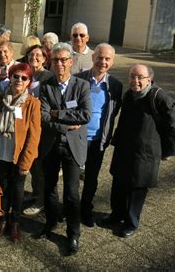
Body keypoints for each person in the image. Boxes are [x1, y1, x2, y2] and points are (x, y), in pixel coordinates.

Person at [105, 64, 175, 238]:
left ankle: (131, 223)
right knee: (118, 183)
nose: (135, 81)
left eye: (140, 77)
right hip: (125, 149)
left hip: (145, 153)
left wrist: (168, 152)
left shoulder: (159, 97)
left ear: (149, 79)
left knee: (137, 188)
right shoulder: (129, 94)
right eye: (132, 76)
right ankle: (116, 215)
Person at [34, 42, 91, 256]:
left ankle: (73, 234)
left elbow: (85, 115)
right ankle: (50, 222)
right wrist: (65, 122)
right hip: (51, 145)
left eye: (64, 59)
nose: (59, 63)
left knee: (71, 193)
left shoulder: (82, 85)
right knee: (49, 188)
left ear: (71, 62)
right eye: (56, 60)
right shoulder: (46, 85)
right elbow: (44, 116)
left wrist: (57, 114)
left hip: (73, 147)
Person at [74, 44, 123, 227]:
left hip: (97, 140)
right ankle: (71, 208)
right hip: (76, 138)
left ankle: (85, 209)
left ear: (112, 62)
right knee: (72, 178)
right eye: (100, 57)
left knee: (91, 178)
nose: (103, 62)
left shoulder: (116, 86)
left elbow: (113, 111)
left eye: (107, 59)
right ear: (93, 57)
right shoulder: (78, 79)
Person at [0, 63, 41, 243]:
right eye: (16, 76)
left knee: (18, 190)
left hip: (18, 155)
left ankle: (15, 222)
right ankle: (2, 219)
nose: (19, 80)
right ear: (10, 77)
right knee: (3, 188)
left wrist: (26, 162)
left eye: (24, 78)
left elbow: (34, 136)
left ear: (29, 81)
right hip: (1, 151)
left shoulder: (32, 104)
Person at [22, 45, 53, 217]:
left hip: (40, 127)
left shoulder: (47, 77)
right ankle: (35, 193)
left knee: (39, 164)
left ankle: (41, 201)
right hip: (25, 125)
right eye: (31, 54)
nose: (34, 57)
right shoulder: (26, 72)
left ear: (44, 59)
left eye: (38, 55)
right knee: (31, 163)